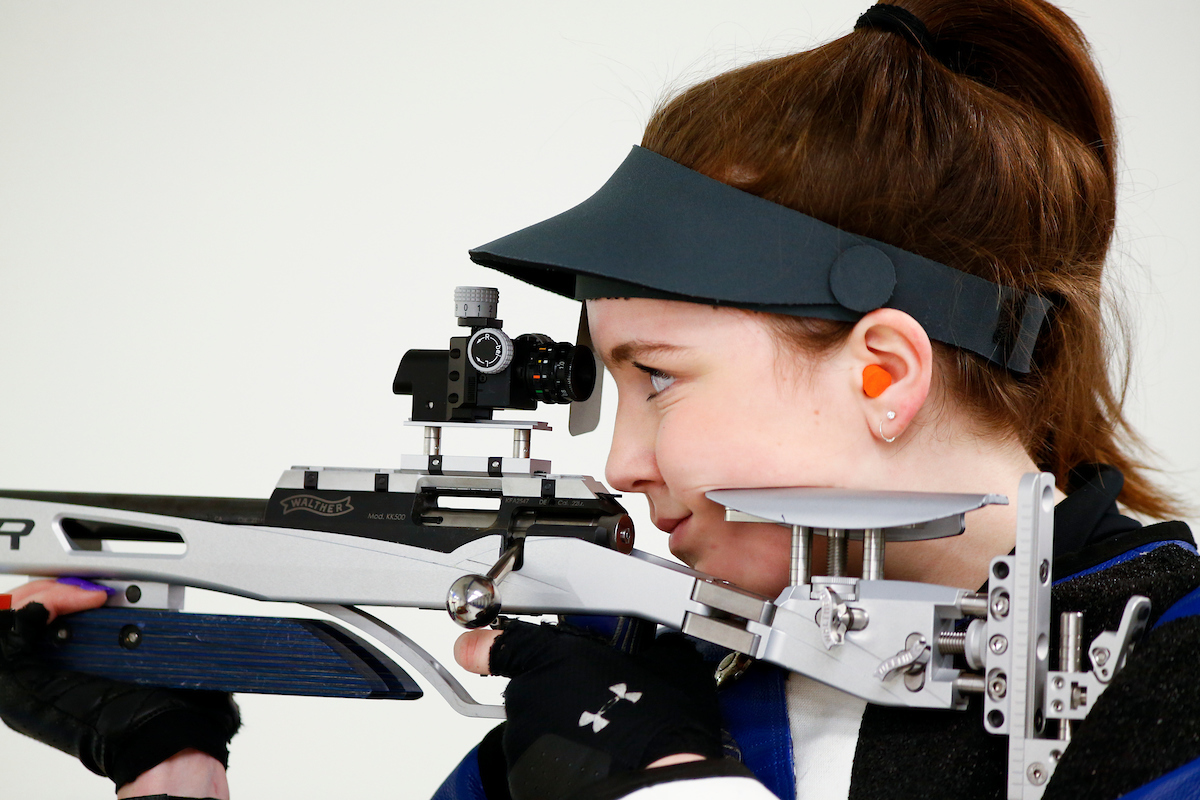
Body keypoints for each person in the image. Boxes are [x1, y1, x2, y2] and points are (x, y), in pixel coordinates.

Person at [3, 1, 1200, 799]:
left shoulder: (1172, 692)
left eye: (659, 376)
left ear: (884, 372)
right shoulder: (667, 679)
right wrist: (169, 768)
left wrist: (678, 779)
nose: (622, 463)